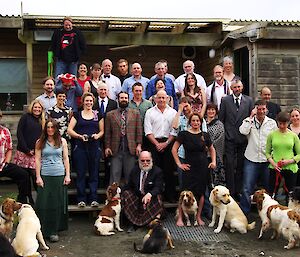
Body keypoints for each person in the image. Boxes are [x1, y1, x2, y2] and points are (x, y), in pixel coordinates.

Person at [172, 112, 216, 226]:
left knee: (201, 193)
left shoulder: (205, 135)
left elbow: (212, 149)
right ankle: (180, 218)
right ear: (189, 122)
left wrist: (213, 161)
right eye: (193, 121)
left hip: (202, 167)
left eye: (198, 121)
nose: (196, 123)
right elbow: (174, 149)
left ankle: (198, 217)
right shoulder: (184, 134)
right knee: (184, 193)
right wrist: (179, 164)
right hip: (188, 167)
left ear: (201, 122)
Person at [239, 100, 277, 214]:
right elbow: (242, 131)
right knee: (246, 188)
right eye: (259, 109)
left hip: (267, 159)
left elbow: (275, 140)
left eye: (263, 109)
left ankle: (268, 212)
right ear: (255, 109)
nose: (261, 111)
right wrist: (250, 117)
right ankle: (244, 212)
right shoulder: (249, 121)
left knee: (267, 187)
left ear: (266, 110)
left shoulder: (272, 123)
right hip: (251, 158)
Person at [35, 119, 71, 242]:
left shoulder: (62, 142)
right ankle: (42, 230)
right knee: (43, 203)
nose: (50, 129)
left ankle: (54, 231)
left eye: (52, 127)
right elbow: (38, 160)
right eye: (48, 127)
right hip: (45, 175)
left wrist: (67, 175)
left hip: (59, 174)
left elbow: (65, 159)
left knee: (57, 204)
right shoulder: (40, 142)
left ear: (56, 128)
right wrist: (38, 177)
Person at [67, 92, 104, 207]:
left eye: (90, 101)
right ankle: (81, 199)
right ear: (83, 102)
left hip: (94, 146)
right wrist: (79, 136)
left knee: (94, 173)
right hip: (80, 146)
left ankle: (93, 198)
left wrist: (97, 136)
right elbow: (69, 130)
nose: (89, 103)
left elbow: (102, 130)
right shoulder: (77, 115)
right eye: (86, 101)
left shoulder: (98, 114)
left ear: (93, 102)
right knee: (81, 173)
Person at [219, 79, 254, 198]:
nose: (237, 89)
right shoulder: (225, 100)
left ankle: (239, 190)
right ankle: (231, 190)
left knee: (240, 165)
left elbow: (251, 119)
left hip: (243, 138)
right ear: (231, 88)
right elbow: (221, 119)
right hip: (229, 138)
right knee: (229, 165)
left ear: (242, 87)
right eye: (234, 87)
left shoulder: (249, 100)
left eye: (239, 87)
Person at [144, 90, 177, 202]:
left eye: (163, 98)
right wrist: (157, 144)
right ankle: (155, 197)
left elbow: (174, 130)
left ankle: (170, 196)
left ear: (167, 98)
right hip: (154, 143)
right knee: (154, 171)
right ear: (155, 99)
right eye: (159, 98)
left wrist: (166, 143)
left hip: (169, 143)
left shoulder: (173, 112)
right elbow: (148, 131)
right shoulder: (149, 112)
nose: (162, 100)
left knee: (169, 171)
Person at [105, 92, 142, 184]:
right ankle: (113, 197)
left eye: (125, 98)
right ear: (118, 100)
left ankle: (130, 197)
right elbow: (108, 133)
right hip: (115, 149)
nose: (124, 100)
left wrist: (139, 145)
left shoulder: (135, 113)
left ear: (128, 100)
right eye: (121, 98)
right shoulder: (110, 115)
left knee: (130, 175)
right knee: (114, 175)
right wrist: (107, 147)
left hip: (130, 148)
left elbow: (139, 131)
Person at [122, 151, 163, 232]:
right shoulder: (134, 170)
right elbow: (129, 185)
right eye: (143, 161)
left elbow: (159, 187)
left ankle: (150, 222)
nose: (145, 163)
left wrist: (150, 194)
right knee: (126, 194)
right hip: (137, 196)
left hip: (150, 197)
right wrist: (119, 191)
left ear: (152, 160)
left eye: (148, 160)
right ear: (139, 161)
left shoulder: (157, 171)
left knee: (158, 197)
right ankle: (132, 222)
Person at [14, 99, 45, 205]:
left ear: (42, 109)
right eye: (35, 107)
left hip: (35, 154)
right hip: (23, 153)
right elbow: (20, 133)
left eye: (39, 108)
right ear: (32, 107)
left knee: (36, 177)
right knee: (23, 180)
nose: (37, 109)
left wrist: (37, 151)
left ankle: (39, 202)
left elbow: (43, 137)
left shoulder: (43, 120)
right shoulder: (25, 117)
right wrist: (26, 149)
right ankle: (24, 202)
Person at [266, 111, 300, 203]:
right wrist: (273, 163)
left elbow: (299, 154)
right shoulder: (271, 135)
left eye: (284, 123)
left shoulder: (293, 136)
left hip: (290, 168)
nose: (281, 126)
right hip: (275, 168)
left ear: (288, 123)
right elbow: (267, 153)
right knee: (272, 194)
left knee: (290, 195)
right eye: (280, 123)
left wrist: (290, 161)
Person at [0, 110, 30, 204]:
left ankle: (22, 202)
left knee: (23, 175)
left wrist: (6, 163)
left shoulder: (5, 131)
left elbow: (9, 149)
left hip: (2, 165)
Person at [205, 103, 226, 187]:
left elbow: (218, 139)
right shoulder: (202, 122)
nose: (211, 111)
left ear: (216, 111)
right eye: (209, 109)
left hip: (214, 154)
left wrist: (208, 146)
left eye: (213, 110)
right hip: (203, 153)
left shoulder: (219, 124)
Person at [289, 107, 300, 186]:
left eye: (297, 115)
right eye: (293, 116)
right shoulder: (287, 129)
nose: (295, 118)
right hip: (290, 158)